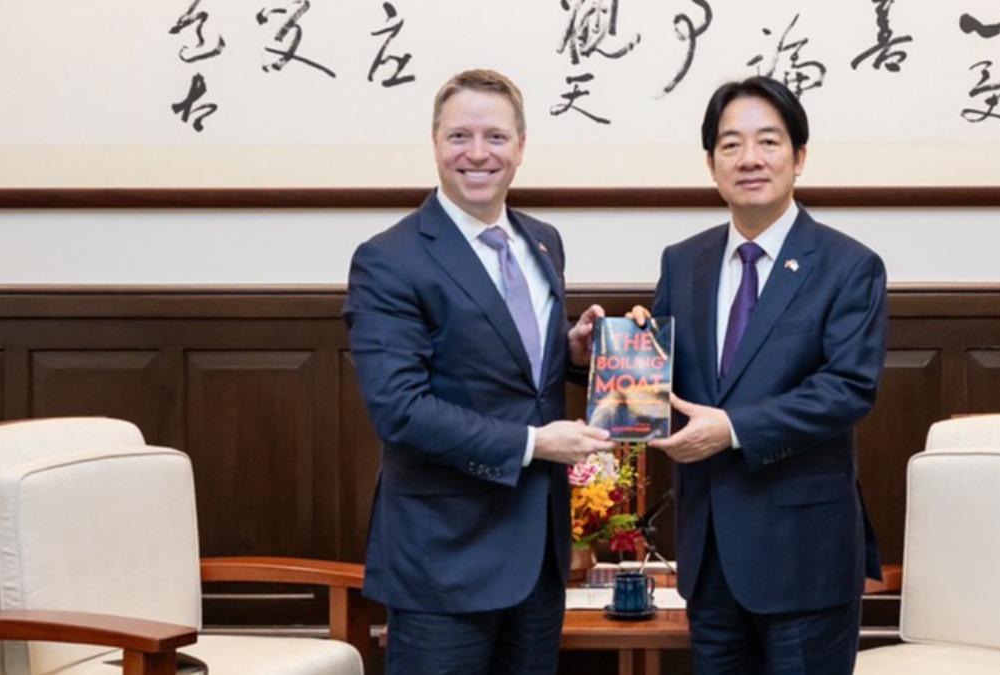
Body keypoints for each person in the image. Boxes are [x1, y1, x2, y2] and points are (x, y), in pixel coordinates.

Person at [343, 68, 613, 675]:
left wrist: (571, 354)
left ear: (521, 147)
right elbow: (399, 408)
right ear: (435, 144)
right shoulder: (389, 259)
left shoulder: (542, 241)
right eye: (459, 136)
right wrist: (534, 443)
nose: (477, 153)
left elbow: (514, 370)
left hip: (537, 550)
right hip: (445, 555)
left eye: (494, 137)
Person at [630, 76, 888, 674]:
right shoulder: (683, 260)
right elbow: (661, 376)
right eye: (730, 145)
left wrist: (734, 429)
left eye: (768, 142)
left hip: (805, 556)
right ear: (711, 163)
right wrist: (609, 354)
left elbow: (848, 387)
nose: (750, 159)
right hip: (710, 552)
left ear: (798, 157)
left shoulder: (848, 265)